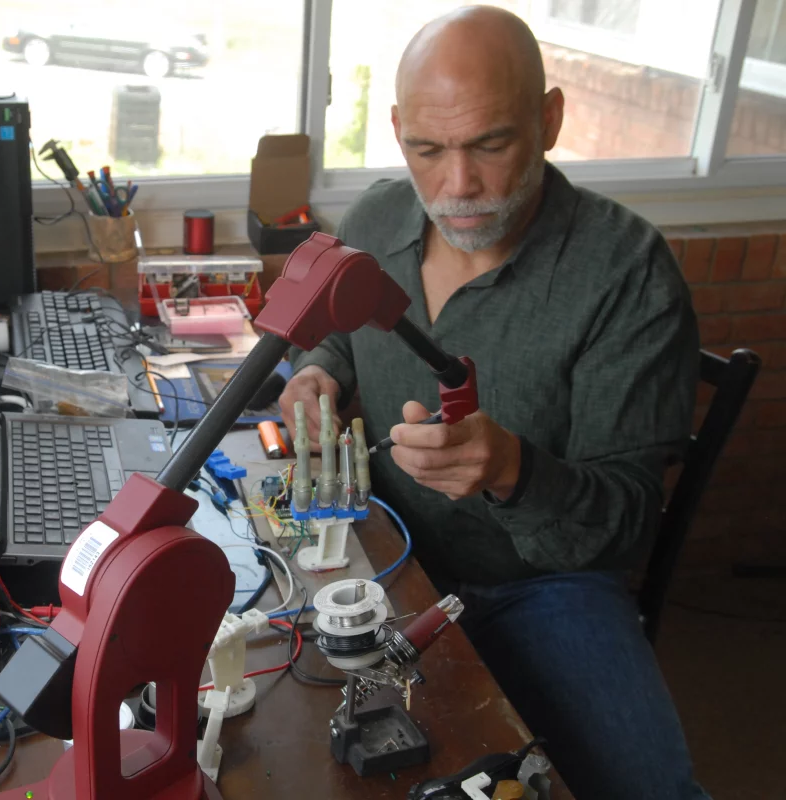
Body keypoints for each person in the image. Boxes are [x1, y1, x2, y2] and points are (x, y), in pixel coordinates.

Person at [279, 7, 707, 799]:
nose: (458, 186)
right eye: (428, 150)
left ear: (548, 120)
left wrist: (512, 470)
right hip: (380, 546)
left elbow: (624, 524)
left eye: (491, 144)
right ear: (400, 129)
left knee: (652, 789)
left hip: (544, 583)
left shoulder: (628, 274)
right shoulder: (376, 218)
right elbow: (341, 338)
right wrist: (319, 373)